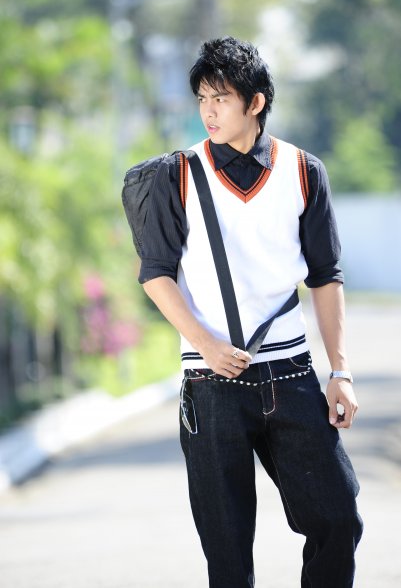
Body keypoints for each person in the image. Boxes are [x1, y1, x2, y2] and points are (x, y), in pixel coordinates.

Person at [136, 36, 363, 587]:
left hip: (291, 375)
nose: (208, 111)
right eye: (202, 99)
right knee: (228, 553)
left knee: (338, 520)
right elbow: (155, 274)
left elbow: (325, 275)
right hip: (210, 383)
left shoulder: (303, 170)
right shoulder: (175, 174)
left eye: (221, 98)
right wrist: (206, 345)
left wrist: (340, 370)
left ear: (255, 102)